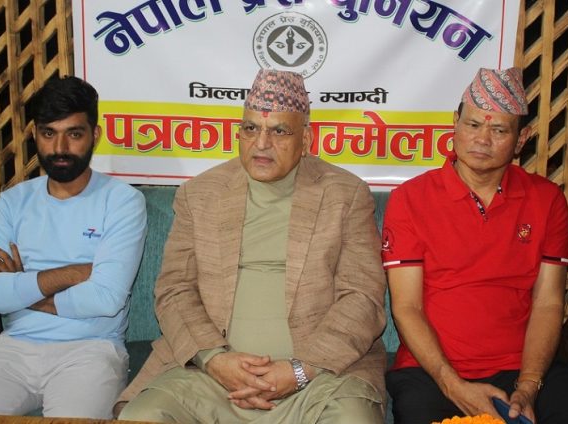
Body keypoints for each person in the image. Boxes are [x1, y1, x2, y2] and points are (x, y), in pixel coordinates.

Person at [116, 69, 387, 424]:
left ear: (306, 139)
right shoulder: (200, 194)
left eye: (279, 131)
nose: (261, 143)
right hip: (209, 378)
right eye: (251, 129)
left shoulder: (344, 194)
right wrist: (214, 358)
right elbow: (174, 290)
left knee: (352, 419)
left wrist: (300, 370)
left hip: (319, 379)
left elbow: (362, 297)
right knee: (144, 416)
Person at [382, 67, 568, 424]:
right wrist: (453, 385)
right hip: (432, 371)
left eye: (499, 130)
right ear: (455, 124)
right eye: (473, 125)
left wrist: (529, 385)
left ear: (522, 139)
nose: (482, 139)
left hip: (526, 368)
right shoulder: (411, 199)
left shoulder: (546, 200)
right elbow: (407, 307)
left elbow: (549, 302)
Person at [0, 76, 148, 420]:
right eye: (49, 133)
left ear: (94, 135)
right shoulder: (13, 202)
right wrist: (73, 273)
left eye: (74, 134)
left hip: (91, 351)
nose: (60, 147)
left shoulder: (122, 201)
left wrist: (21, 287)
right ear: (34, 134)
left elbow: (105, 299)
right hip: (13, 348)